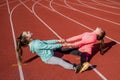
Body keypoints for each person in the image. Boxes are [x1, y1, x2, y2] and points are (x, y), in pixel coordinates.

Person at [16, 31, 89, 73]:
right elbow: (49, 46)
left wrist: (57, 40)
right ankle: (75, 68)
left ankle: (74, 65)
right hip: (48, 58)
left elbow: (47, 42)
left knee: (60, 56)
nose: (28, 31)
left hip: (50, 54)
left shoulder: (34, 42)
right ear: (28, 38)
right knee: (60, 61)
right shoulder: (36, 44)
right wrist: (62, 45)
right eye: (27, 33)